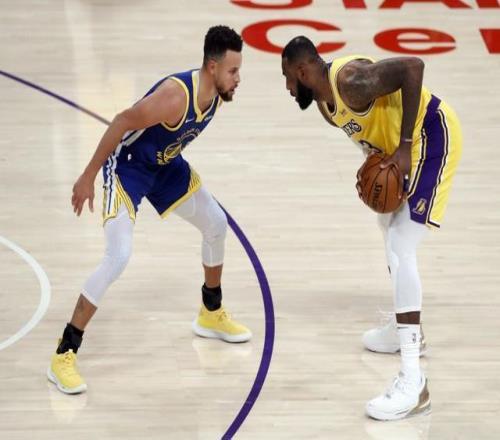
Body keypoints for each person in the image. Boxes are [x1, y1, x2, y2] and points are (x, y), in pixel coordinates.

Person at [47, 25, 252, 395]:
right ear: (212, 67)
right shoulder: (175, 97)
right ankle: (64, 353)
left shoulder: (217, 96)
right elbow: (122, 121)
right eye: (233, 71)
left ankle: (211, 312)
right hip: (127, 168)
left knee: (216, 223)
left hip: (165, 166)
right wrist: (88, 175)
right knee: (118, 256)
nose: (238, 78)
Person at [281, 36, 461, 420]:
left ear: (302, 71)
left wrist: (404, 146)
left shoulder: (351, 81)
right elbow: (369, 132)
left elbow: (413, 67)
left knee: (401, 243)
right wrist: (376, 168)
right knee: (387, 225)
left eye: (288, 78)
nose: (287, 87)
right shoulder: (326, 106)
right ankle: (408, 331)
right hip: (402, 148)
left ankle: (413, 382)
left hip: (431, 136)